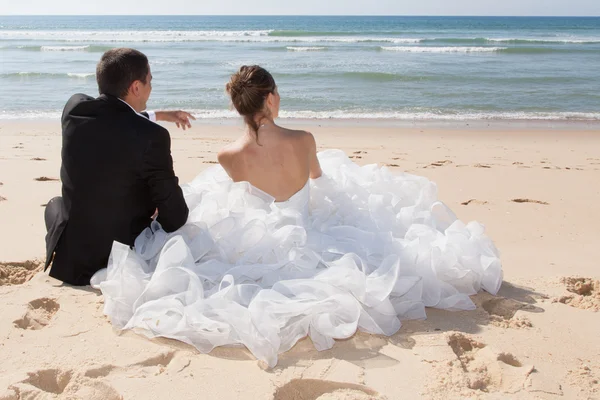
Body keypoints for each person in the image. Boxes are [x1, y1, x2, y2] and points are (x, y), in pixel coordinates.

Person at [91, 65, 503, 368]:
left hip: (256, 230)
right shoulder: (303, 140)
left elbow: (245, 197)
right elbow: (317, 179)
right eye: (277, 93)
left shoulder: (227, 156)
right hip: (305, 224)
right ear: (270, 99)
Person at [44, 48, 193, 286]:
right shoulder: (153, 137)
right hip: (122, 256)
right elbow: (175, 218)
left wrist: (161, 114)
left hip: (76, 259)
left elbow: (114, 118)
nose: (151, 88)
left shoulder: (73, 109)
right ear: (136, 87)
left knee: (55, 205)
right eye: (149, 81)